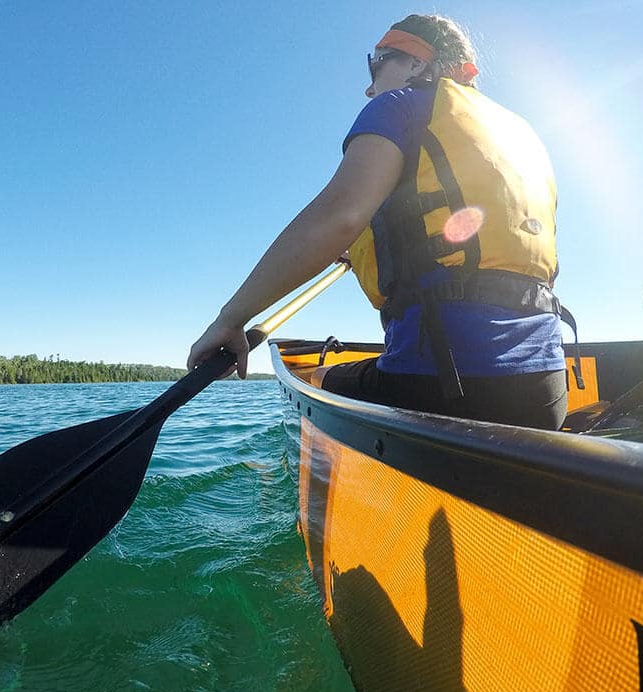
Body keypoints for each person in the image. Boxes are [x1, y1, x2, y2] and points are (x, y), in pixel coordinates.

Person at [187, 14, 568, 430]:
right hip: (545, 389)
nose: (369, 87)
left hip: (447, 383)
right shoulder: (520, 135)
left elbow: (340, 216)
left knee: (316, 380)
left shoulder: (401, 106)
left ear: (417, 63)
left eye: (377, 64)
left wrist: (229, 319)